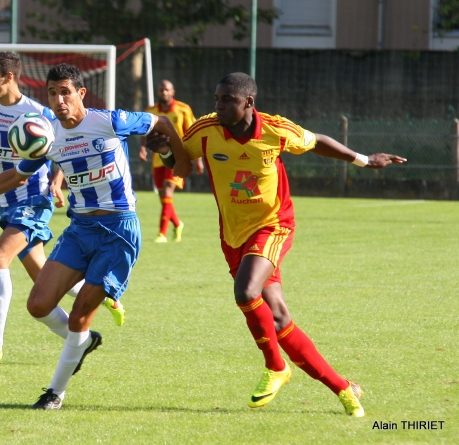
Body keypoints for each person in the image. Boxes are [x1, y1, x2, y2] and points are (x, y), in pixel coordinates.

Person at [147, 72, 406, 417]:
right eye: (216, 99)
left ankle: (276, 367)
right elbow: (182, 168)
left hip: (274, 225)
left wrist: (363, 159)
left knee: (245, 292)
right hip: (233, 234)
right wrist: (165, 149)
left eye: (227, 100)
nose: (218, 106)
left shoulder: (275, 129)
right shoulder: (206, 129)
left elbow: (317, 142)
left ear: (248, 103)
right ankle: (345, 388)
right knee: (279, 317)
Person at [0, 63, 193, 410]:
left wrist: (181, 160)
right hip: (80, 230)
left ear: (80, 94)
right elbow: (14, 177)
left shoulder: (109, 121)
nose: (59, 100)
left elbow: (161, 123)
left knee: (78, 317)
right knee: (38, 304)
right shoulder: (48, 135)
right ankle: (83, 344)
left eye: (66, 92)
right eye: (53, 93)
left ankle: (54, 393)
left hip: (118, 231)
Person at [0, 53, 125, 366]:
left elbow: (63, 150)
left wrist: (57, 182)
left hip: (33, 198)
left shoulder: (39, 113)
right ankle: (83, 334)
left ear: (8, 77)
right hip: (6, 202)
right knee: (43, 277)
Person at [139, 80, 204, 243]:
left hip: (178, 158)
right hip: (158, 159)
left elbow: (192, 133)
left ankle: (162, 233)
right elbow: (144, 131)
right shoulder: (151, 111)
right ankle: (177, 223)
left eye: (167, 90)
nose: (164, 92)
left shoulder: (183, 109)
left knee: (167, 192)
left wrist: (199, 160)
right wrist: (142, 148)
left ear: (172, 92)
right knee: (163, 197)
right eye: (161, 90)